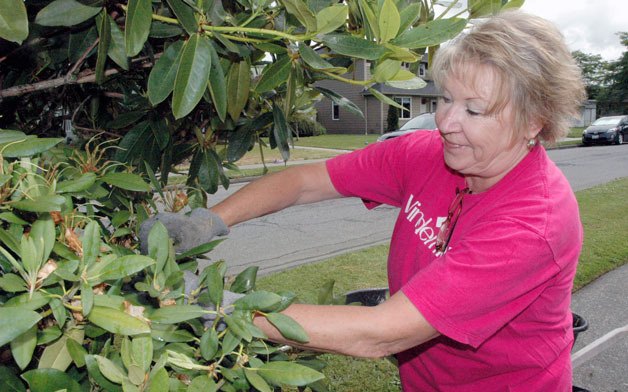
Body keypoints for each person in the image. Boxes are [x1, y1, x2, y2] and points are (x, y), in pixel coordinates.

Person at [141, 9, 586, 391]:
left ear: (534, 122)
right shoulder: (429, 153)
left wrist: (217, 309)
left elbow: (379, 334)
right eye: (445, 99)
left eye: (474, 110)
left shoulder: (532, 224)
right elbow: (306, 181)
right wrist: (206, 222)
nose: (447, 122)